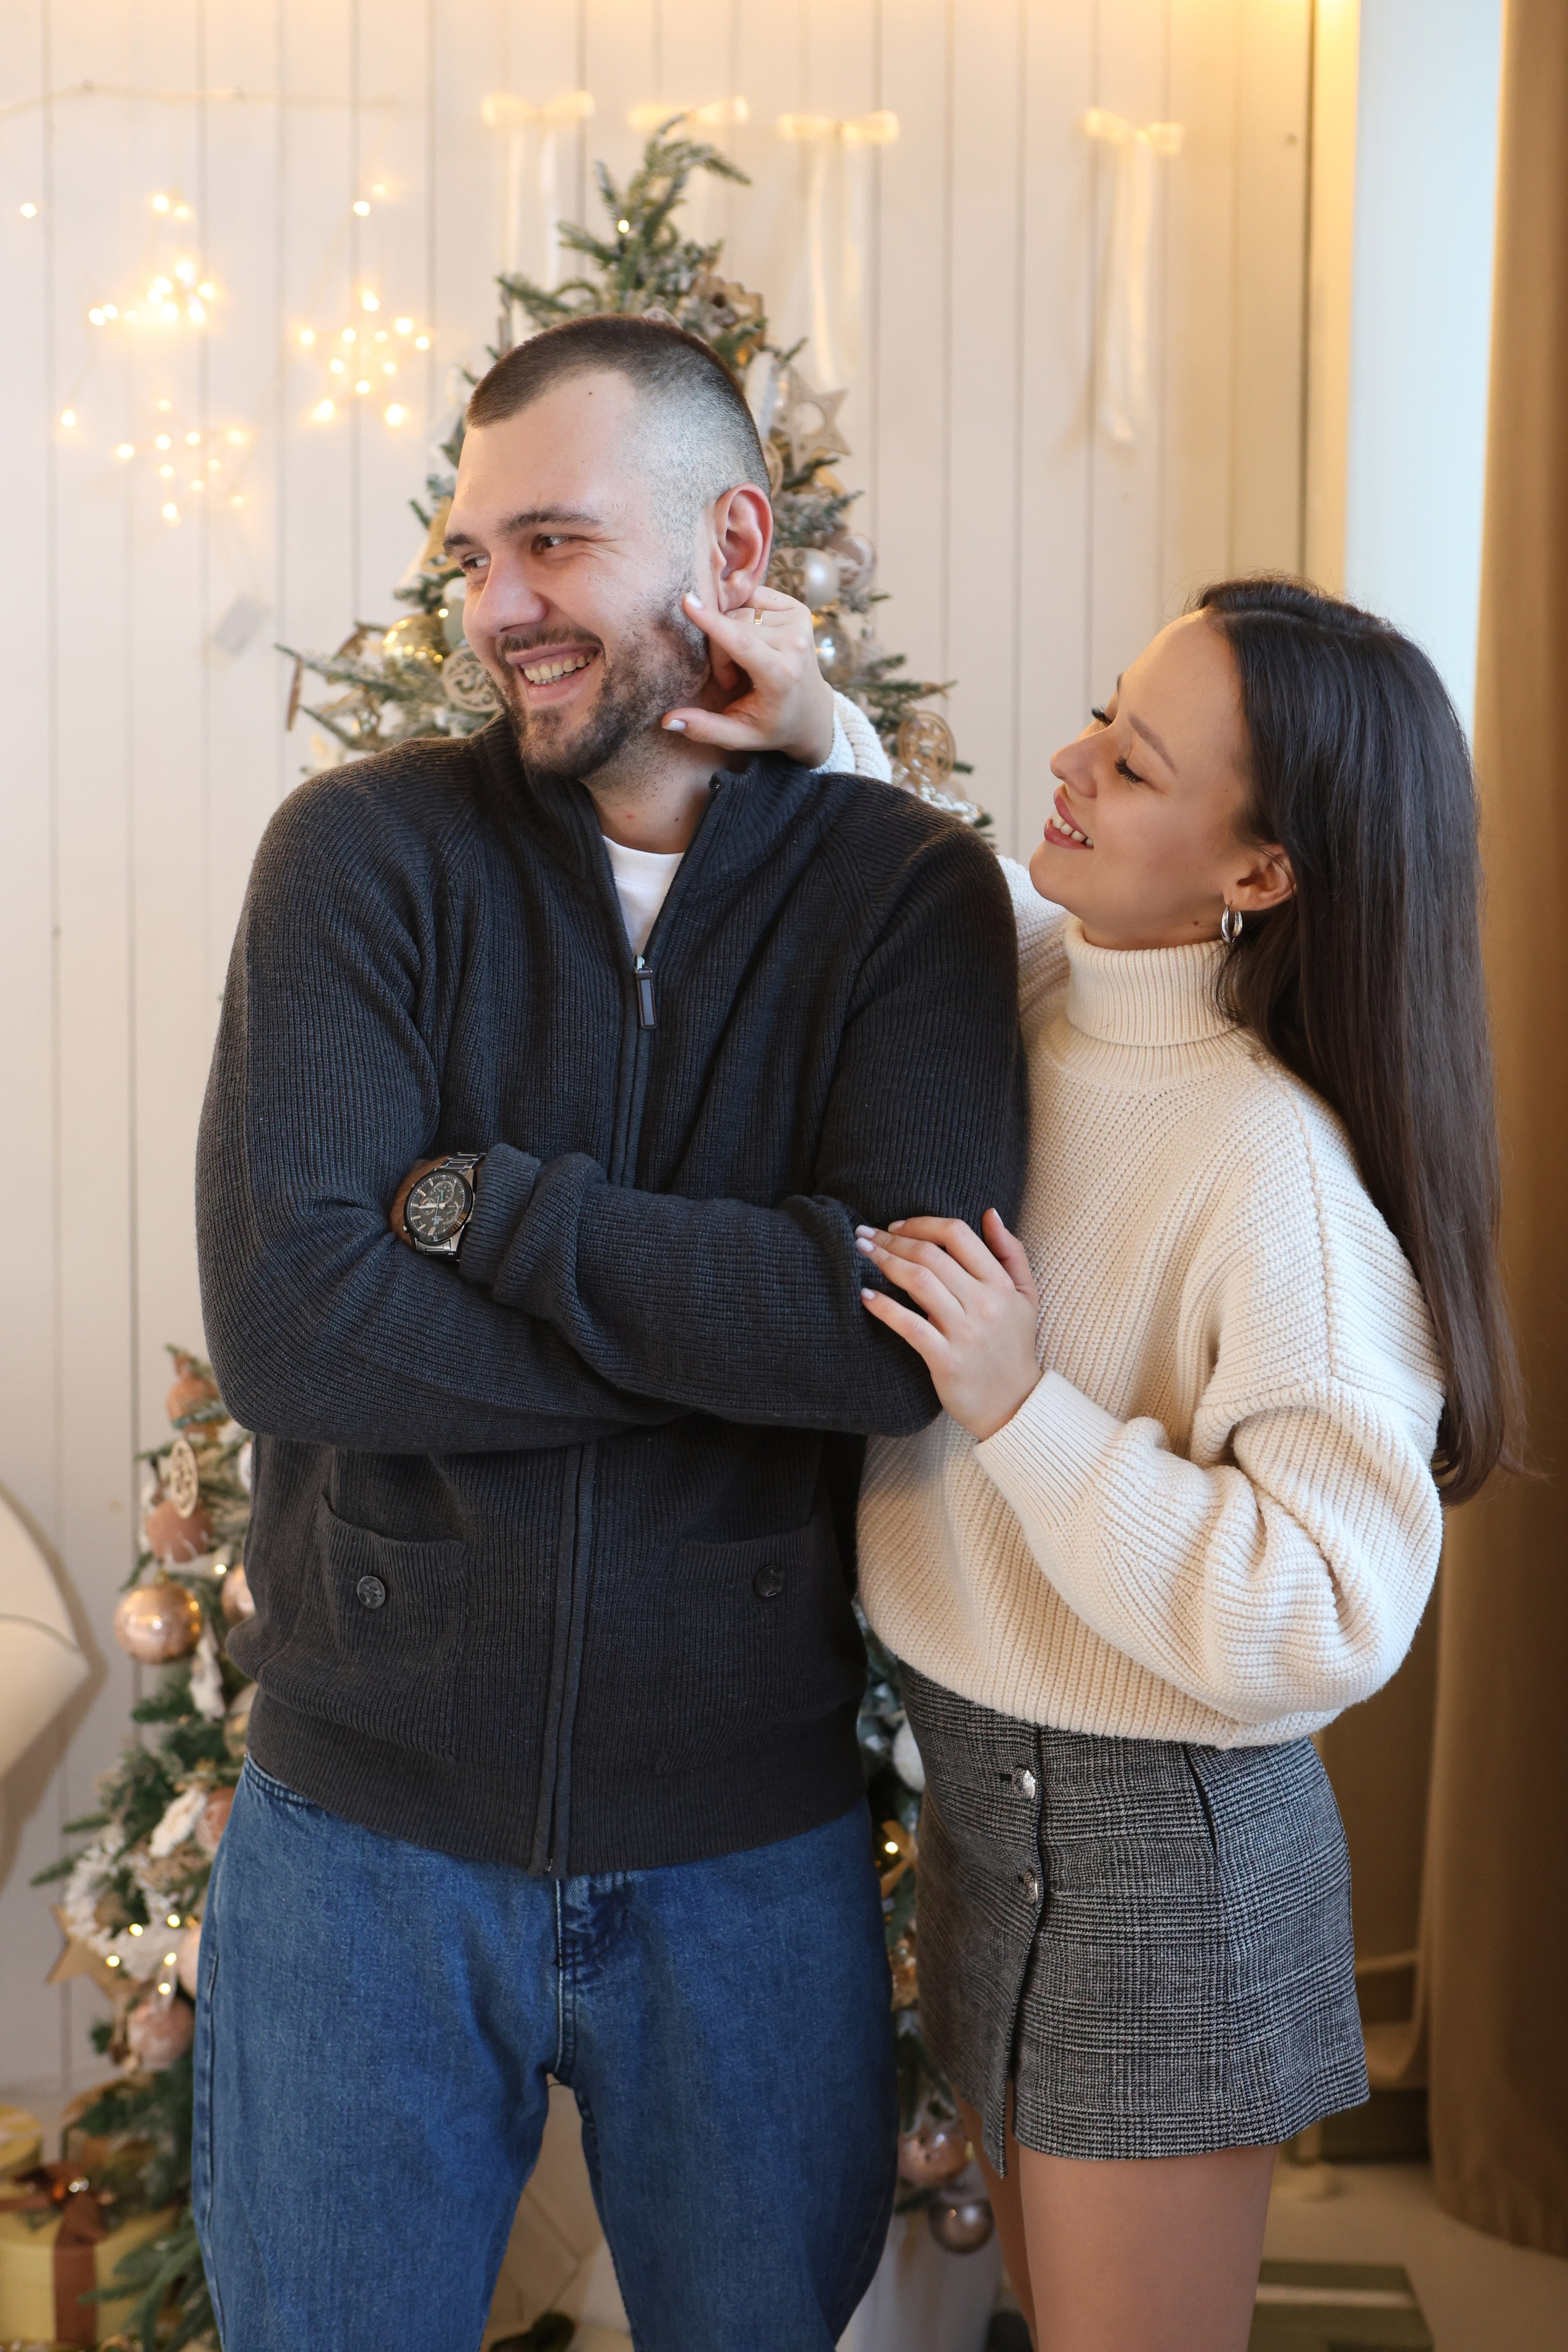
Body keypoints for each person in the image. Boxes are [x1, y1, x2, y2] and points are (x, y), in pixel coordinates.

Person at [192, 314, 1025, 2352]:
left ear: (730, 543)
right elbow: (297, 1329)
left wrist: (497, 1217)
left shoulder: (903, 896)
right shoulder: (363, 857)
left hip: (750, 1857)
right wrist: (740, 1318)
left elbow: (889, 1344)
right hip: (359, 1850)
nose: (495, 609)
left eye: (551, 546)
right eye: (473, 556)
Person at [853, 579, 1517, 2352]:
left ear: (1261, 873)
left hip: (1157, 1861)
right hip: (998, 1814)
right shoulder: (1057, 982)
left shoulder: (1272, 1170)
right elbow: (930, 883)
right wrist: (800, 728)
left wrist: (1023, 1408)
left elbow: (1328, 1611)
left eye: (1134, 764)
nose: (1067, 764)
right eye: (1101, 713)